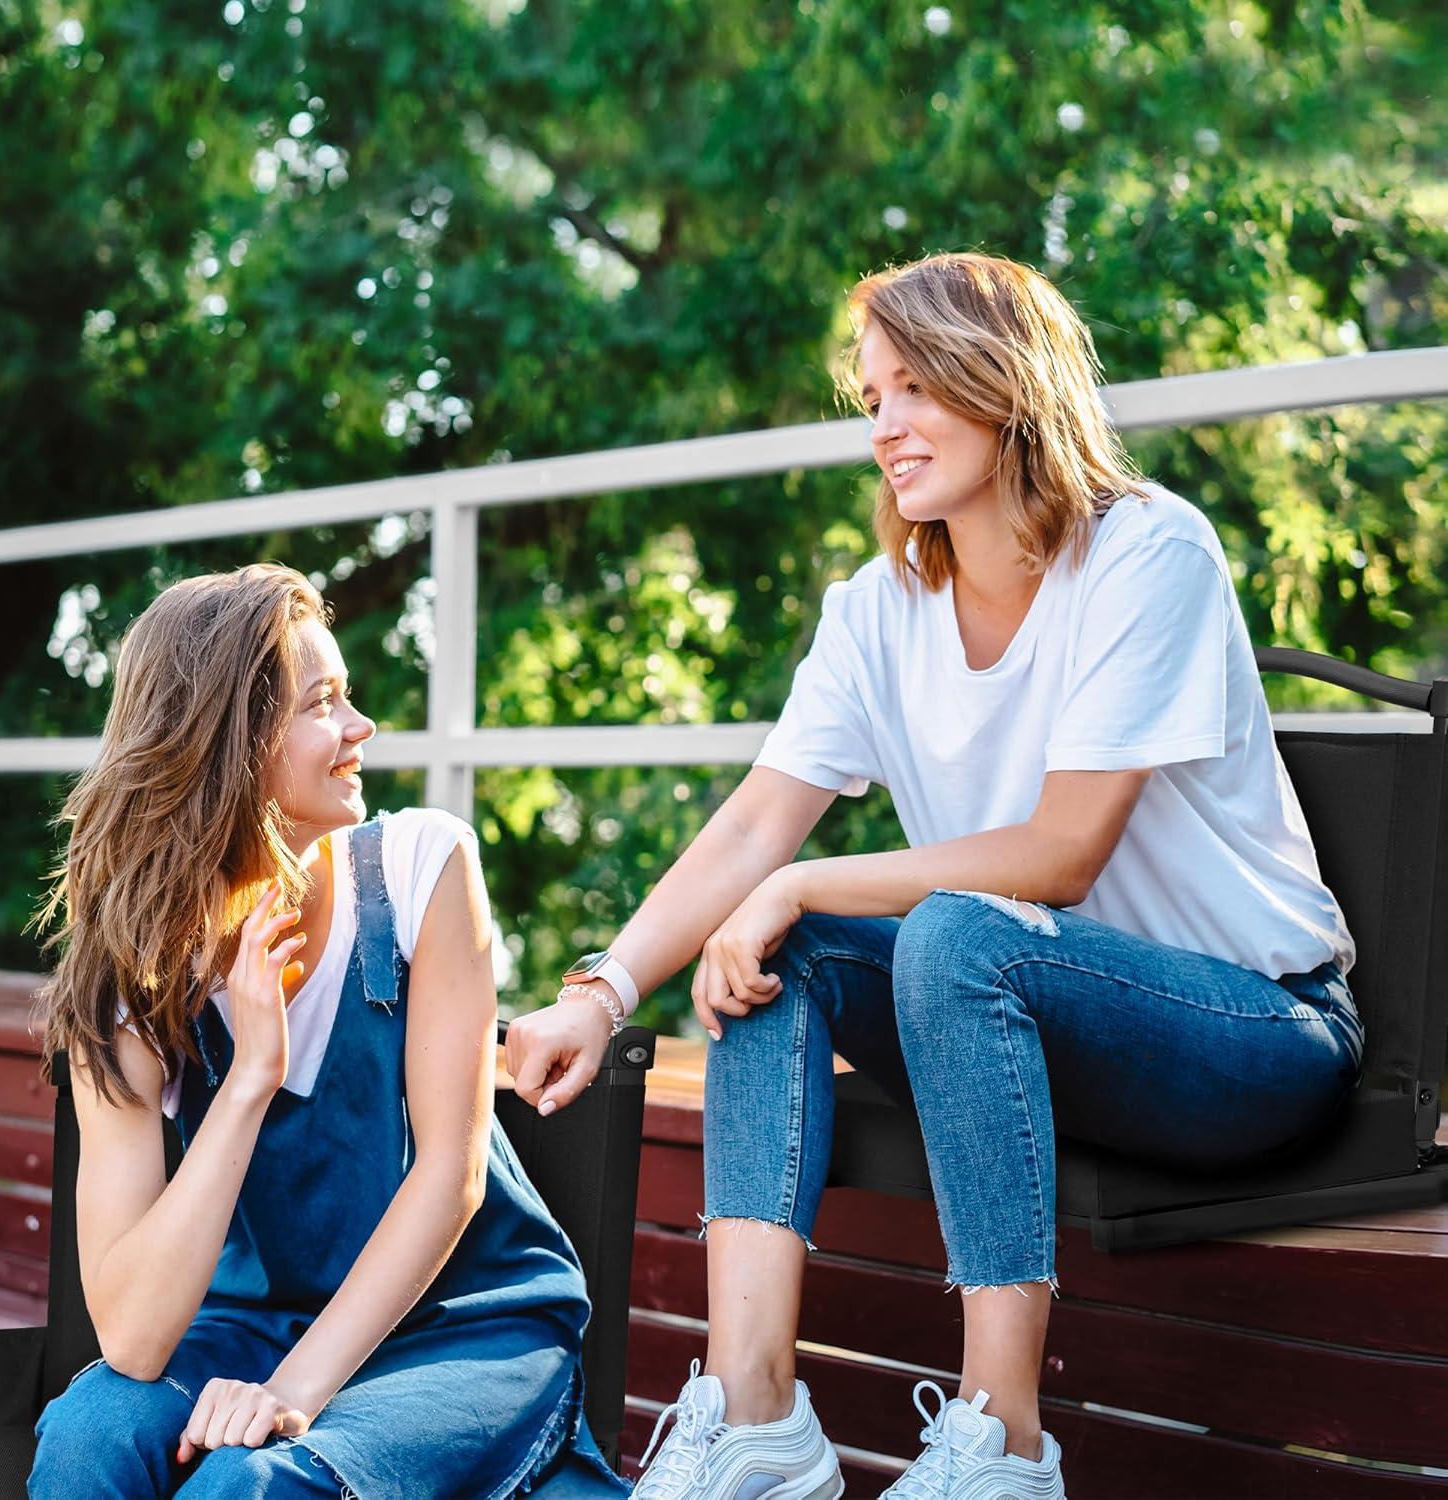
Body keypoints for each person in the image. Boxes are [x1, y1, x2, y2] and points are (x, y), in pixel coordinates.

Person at [506, 252, 1364, 1499]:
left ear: (1004, 383)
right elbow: (755, 828)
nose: (886, 429)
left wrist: (812, 880)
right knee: (773, 956)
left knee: (950, 932)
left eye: (915, 388)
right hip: (1025, 1018)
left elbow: (1062, 855)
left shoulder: (1148, 553)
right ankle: (754, 1422)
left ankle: (1001, 1447)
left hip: (1251, 1033)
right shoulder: (876, 610)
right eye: (870, 400)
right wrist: (601, 987)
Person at [30, 564, 628, 1498]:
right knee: (84, 1442)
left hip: (461, 1330)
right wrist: (249, 1076)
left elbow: (450, 1177)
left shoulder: (424, 867)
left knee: (248, 1486)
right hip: (248, 1325)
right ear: (230, 744)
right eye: (324, 704)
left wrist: (288, 1393)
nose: (361, 729)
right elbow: (135, 1338)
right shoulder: (130, 981)